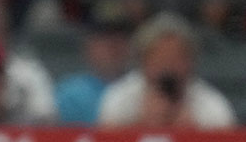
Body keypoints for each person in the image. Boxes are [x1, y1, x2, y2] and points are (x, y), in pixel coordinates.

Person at [97, 13, 237, 128]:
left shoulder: (212, 104)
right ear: (143, 60)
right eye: (160, 57)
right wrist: (143, 125)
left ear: (190, 62)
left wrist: (194, 132)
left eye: (176, 58)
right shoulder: (120, 96)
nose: (168, 66)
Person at [54, 0, 134, 125]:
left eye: (119, 37)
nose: (112, 45)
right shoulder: (70, 94)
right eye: (103, 38)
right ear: (88, 46)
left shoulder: (142, 88)